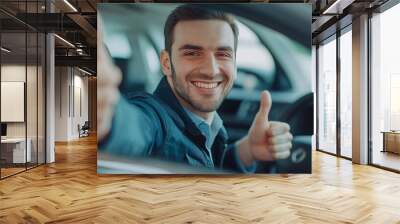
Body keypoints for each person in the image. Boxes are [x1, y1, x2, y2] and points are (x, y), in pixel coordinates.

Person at [98, 4, 293, 173]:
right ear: (166, 63)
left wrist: (247, 151)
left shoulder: (211, 126)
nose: (211, 70)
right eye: (192, 53)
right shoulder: (155, 119)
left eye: (223, 54)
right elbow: (136, 130)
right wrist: (107, 116)